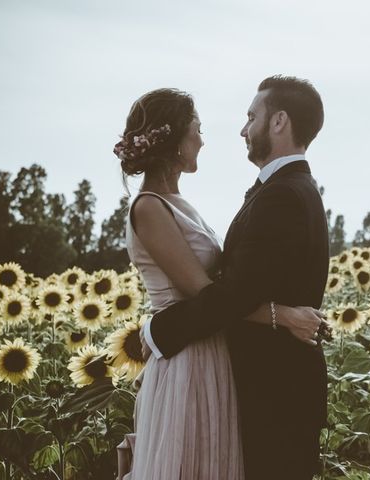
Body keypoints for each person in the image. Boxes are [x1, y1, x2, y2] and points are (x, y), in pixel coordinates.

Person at [114, 87, 326, 480]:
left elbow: (228, 291)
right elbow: (209, 293)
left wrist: (154, 329)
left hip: (211, 351)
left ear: (279, 122)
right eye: (196, 129)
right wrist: (285, 316)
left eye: (251, 118)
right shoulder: (149, 207)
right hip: (187, 361)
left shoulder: (188, 203)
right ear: (174, 139)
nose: (203, 139)